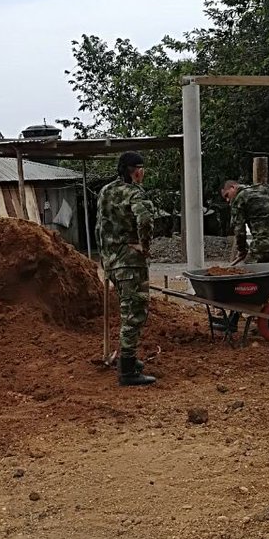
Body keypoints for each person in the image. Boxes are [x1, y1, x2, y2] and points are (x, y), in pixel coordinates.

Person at [96, 151, 157, 387]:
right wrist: (145, 246)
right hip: (129, 262)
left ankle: (127, 360)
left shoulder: (105, 191)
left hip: (111, 261)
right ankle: (128, 370)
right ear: (137, 171)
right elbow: (145, 220)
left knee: (127, 310)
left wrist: (106, 256)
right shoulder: (135, 193)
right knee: (134, 313)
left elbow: (100, 225)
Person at [221, 179, 269, 302]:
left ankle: (238, 311)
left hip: (262, 246)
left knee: (245, 276)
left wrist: (242, 250)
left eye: (226, 195)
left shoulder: (239, 199)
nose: (227, 200)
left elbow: (239, 229)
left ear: (233, 187)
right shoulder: (265, 188)